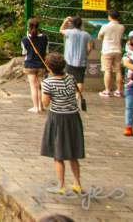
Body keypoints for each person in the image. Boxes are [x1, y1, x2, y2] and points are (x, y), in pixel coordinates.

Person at [40, 52, 84, 195]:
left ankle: (61, 185)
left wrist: (44, 89)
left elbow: (45, 104)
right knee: (73, 154)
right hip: (73, 118)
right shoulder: (71, 78)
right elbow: (75, 94)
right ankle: (77, 184)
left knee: (58, 154)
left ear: (49, 67)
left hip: (58, 119)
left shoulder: (48, 82)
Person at [22, 17, 49, 113]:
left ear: (28, 27)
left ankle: (35, 107)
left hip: (30, 65)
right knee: (41, 86)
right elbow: (46, 52)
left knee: (33, 87)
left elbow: (24, 53)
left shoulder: (25, 39)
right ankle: (41, 107)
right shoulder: (45, 38)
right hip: (41, 65)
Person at [96, 9, 125, 97]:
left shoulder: (105, 26)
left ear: (109, 16)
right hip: (118, 50)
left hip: (107, 51)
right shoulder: (121, 27)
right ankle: (119, 91)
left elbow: (99, 37)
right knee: (118, 71)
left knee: (107, 70)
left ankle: (107, 91)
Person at [59, 15, 93, 86]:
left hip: (69, 60)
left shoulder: (69, 32)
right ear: (81, 24)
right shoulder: (86, 34)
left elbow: (61, 30)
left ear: (72, 24)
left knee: (68, 79)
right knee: (80, 81)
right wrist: (86, 54)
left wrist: (65, 22)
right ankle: (78, 96)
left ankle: (70, 95)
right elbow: (90, 47)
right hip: (82, 61)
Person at [123, 33, 133, 137]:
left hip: (131, 83)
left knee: (130, 106)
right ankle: (128, 127)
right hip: (131, 84)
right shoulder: (128, 54)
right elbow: (126, 63)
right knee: (129, 106)